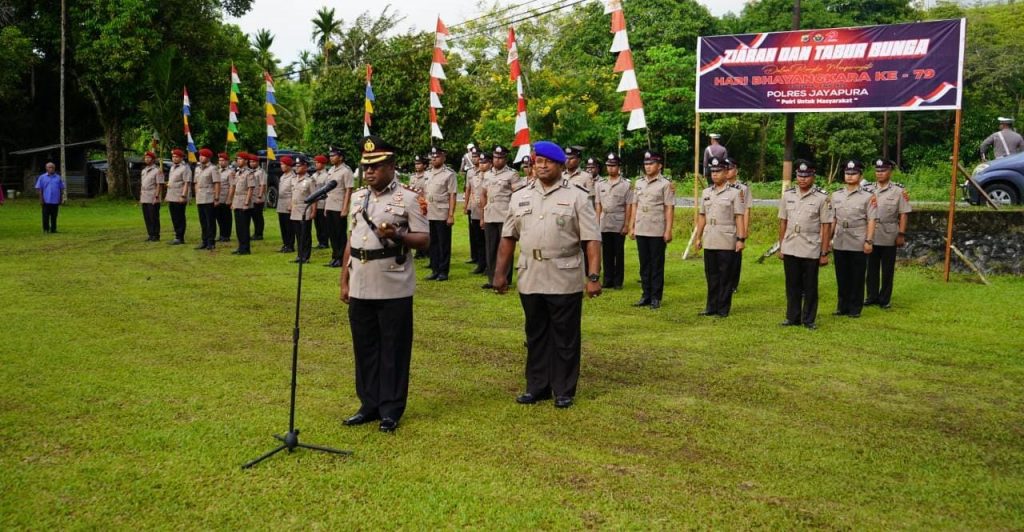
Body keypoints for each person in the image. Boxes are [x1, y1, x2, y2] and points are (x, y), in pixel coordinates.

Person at [492, 140, 602, 409]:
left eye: (547, 162)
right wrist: (499, 273)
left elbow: (591, 239)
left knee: (565, 336)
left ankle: (564, 389)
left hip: (564, 274)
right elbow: (508, 236)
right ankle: (537, 385)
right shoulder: (520, 196)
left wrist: (594, 276)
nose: (541, 166)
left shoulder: (577, 195)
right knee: (536, 333)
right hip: (531, 274)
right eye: (537, 161)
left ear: (560, 165)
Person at [340, 135, 430, 433]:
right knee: (364, 347)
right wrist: (345, 280)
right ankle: (368, 404)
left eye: (376, 166)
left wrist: (399, 236)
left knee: (393, 348)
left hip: (393, 283)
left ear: (391, 166)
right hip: (362, 281)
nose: (369, 172)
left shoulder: (410, 197)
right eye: (366, 167)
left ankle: (390, 408)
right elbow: (351, 241)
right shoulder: (358, 198)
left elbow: (425, 240)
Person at [778, 159, 833, 330]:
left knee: (810, 286)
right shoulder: (788, 195)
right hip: (791, 245)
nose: (802, 179)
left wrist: (824, 252)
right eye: (799, 175)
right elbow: (782, 222)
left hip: (810, 246)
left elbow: (826, 226)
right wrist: (781, 246)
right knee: (792, 284)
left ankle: (809, 319)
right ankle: (792, 317)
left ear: (813, 177)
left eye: (806, 176)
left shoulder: (822, 198)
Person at [695, 158, 747, 318]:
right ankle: (711, 306)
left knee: (725, 275)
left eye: (718, 171)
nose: (715, 175)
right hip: (710, 238)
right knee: (711, 275)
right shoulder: (706, 193)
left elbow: (739, 217)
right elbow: (702, 216)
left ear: (726, 173)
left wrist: (740, 239)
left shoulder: (735, 193)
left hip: (726, 239)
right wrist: (698, 237)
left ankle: (723, 308)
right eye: (713, 172)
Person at [830, 160, 877, 318]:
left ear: (860, 175)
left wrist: (869, 241)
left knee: (857, 275)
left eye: (853, 174)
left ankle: (855, 308)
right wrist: (828, 239)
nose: (850, 177)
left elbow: (871, 220)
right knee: (841, 275)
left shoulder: (868, 197)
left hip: (858, 238)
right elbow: (833, 219)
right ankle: (842, 306)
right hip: (840, 238)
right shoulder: (836, 195)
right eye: (847, 174)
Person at [630, 151, 674, 309]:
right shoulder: (639, 183)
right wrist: (632, 225)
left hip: (656, 228)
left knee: (656, 264)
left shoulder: (665, 184)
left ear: (659, 166)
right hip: (642, 227)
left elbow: (669, 208)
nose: (647, 167)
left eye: (651, 164)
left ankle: (656, 296)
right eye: (646, 164)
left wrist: (668, 230)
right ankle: (645, 295)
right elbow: (635, 205)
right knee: (644, 264)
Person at [865, 158, 911, 309]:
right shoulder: (867, 189)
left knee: (887, 269)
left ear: (890, 172)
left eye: (883, 171)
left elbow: (903, 213)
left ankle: (885, 299)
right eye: (877, 171)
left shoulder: (898, 191)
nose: (879, 174)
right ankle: (871, 296)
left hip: (889, 233)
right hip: (870, 234)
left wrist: (901, 234)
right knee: (871, 268)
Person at [480, 145, 523, 289]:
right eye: (495, 157)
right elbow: (483, 194)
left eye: (500, 158)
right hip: (490, 214)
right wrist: (482, 216)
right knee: (491, 248)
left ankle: (505, 278)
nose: (497, 160)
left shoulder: (512, 174)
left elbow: (517, 195)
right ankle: (492, 278)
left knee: (505, 248)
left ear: (505, 159)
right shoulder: (487, 174)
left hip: (505, 215)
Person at [594, 152, 633, 289]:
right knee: (606, 253)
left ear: (619, 167)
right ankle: (608, 280)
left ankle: (618, 281)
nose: (611, 168)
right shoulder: (600, 184)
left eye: (613, 166)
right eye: (608, 166)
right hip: (605, 221)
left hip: (618, 221)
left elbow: (629, 206)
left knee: (618, 253)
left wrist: (627, 225)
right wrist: (597, 222)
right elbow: (598, 205)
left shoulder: (626, 185)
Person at [423, 146, 457, 281]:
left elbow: (452, 195)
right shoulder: (427, 173)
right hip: (429, 211)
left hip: (442, 211)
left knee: (444, 243)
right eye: (432, 156)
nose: (434, 158)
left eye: (437, 156)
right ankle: (435, 269)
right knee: (433, 242)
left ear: (443, 157)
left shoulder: (449, 174)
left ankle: (443, 271)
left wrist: (451, 214)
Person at [724, 157, 752, 292]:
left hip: (737, 226)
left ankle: (733, 284)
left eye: (729, 169)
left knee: (735, 256)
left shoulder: (743, 188)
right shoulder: (718, 186)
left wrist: (744, 231)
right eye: (725, 169)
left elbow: (746, 210)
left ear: (736, 170)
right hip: (723, 226)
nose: (727, 171)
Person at [324, 148, 354, 268]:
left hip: (339, 206)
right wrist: (326, 206)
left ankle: (341, 258)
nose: (331, 157)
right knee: (331, 233)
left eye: (334, 155)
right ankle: (335, 256)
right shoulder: (331, 170)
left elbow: (348, 190)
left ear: (341, 157)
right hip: (330, 204)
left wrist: (345, 207)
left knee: (340, 234)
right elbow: (328, 190)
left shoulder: (346, 171)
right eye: (330, 155)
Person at [290, 156, 317, 264]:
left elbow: (314, 197)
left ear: (305, 167)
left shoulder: (310, 181)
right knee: (298, 235)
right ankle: (299, 255)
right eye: (296, 165)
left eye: (299, 165)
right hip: (295, 210)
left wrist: (314, 211)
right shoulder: (294, 179)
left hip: (305, 210)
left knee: (305, 235)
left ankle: (306, 256)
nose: (297, 168)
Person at [193, 148, 220, 250]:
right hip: (200, 197)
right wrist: (196, 195)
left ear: (208, 158)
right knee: (203, 221)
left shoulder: (213, 169)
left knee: (210, 221)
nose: (200, 157)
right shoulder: (197, 169)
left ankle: (211, 242)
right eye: (200, 155)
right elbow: (196, 183)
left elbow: (217, 183)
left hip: (209, 197)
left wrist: (216, 198)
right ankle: (204, 241)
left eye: (203, 156)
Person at [228, 152, 255, 255]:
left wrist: (246, 202)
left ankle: (245, 248)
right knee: (239, 227)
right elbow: (234, 187)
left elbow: (250, 188)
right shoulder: (238, 173)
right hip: (237, 201)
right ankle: (240, 246)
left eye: (240, 159)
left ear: (246, 161)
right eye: (237, 159)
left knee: (244, 226)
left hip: (244, 201)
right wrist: (232, 202)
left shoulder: (249, 173)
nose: (238, 161)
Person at [164, 149, 193, 245]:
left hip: (179, 196)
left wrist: (183, 195)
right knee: (174, 217)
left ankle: (180, 237)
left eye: (176, 157)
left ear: (181, 158)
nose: (174, 158)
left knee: (179, 216)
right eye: (173, 157)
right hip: (172, 195)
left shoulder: (185, 168)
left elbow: (186, 183)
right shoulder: (173, 167)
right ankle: (177, 235)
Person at [465, 150, 487, 274]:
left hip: (487, 211)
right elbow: (469, 190)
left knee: (486, 240)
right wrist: (467, 205)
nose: (476, 160)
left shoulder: (489, 176)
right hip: (475, 210)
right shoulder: (473, 175)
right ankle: (480, 263)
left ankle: (488, 264)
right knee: (478, 238)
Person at [408, 154, 429, 260]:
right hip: (414, 205)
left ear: (425, 165)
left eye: (419, 163)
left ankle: (425, 250)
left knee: (424, 228)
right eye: (416, 164)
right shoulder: (412, 177)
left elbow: (427, 192)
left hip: (423, 204)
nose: (417, 166)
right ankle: (418, 251)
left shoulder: (427, 176)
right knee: (415, 228)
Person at [139, 152, 164, 241]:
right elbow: (142, 184)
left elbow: (159, 184)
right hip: (144, 196)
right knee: (147, 217)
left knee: (154, 216)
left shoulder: (157, 170)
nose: (146, 159)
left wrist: (157, 196)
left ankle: (156, 235)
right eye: (145, 158)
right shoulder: (144, 170)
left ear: (153, 160)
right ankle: (150, 234)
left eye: (149, 158)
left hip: (152, 195)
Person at [35, 162, 65, 233]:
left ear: (54, 168)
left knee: (54, 216)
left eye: (52, 167)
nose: (51, 169)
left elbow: (61, 189)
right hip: (46, 200)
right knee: (45, 216)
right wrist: (41, 199)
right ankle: (46, 229)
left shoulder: (58, 177)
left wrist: (61, 198)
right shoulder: (42, 177)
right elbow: (39, 189)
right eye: (49, 167)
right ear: (46, 168)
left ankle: (53, 229)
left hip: (55, 200)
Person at [275, 155, 296, 253]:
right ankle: (285, 244)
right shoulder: (283, 176)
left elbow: (294, 192)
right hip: (281, 203)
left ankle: (290, 245)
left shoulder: (293, 177)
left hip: (288, 202)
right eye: (281, 164)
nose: (281, 166)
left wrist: (292, 204)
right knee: (283, 225)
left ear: (288, 165)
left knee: (289, 226)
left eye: (283, 164)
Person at [311, 155, 331, 250]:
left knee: (324, 224)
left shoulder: (326, 176)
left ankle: (324, 242)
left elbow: (328, 191)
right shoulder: (314, 175)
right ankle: (320, 241)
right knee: (317, 224)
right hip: (315, 202)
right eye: (315, 162)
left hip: (323, 202)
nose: (316, 164)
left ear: (323, 164)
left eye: (318, 162)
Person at [215, 152, 233, 242]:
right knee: (219, 217)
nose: (220, 162)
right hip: (217, 198)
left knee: (226, 218)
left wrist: (229, 199)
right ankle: (221, 234)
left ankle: (226, 235)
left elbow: (231, 186)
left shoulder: (230, 172)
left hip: (225, 198)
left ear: (227, 161)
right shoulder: (217, 171)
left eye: (222, 160)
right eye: (219, 160)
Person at [249, 155, 267, 240]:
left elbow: (262, 184)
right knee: (253, 216)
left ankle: (259, 234)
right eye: (250, 162)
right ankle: (255, 232)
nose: (251, 163)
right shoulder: (250, 171)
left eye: (253, 162)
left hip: (257, 197)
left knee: (258, 216)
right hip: (251, 197)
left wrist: (260, 196)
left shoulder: (261, 172)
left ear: (257, 162)